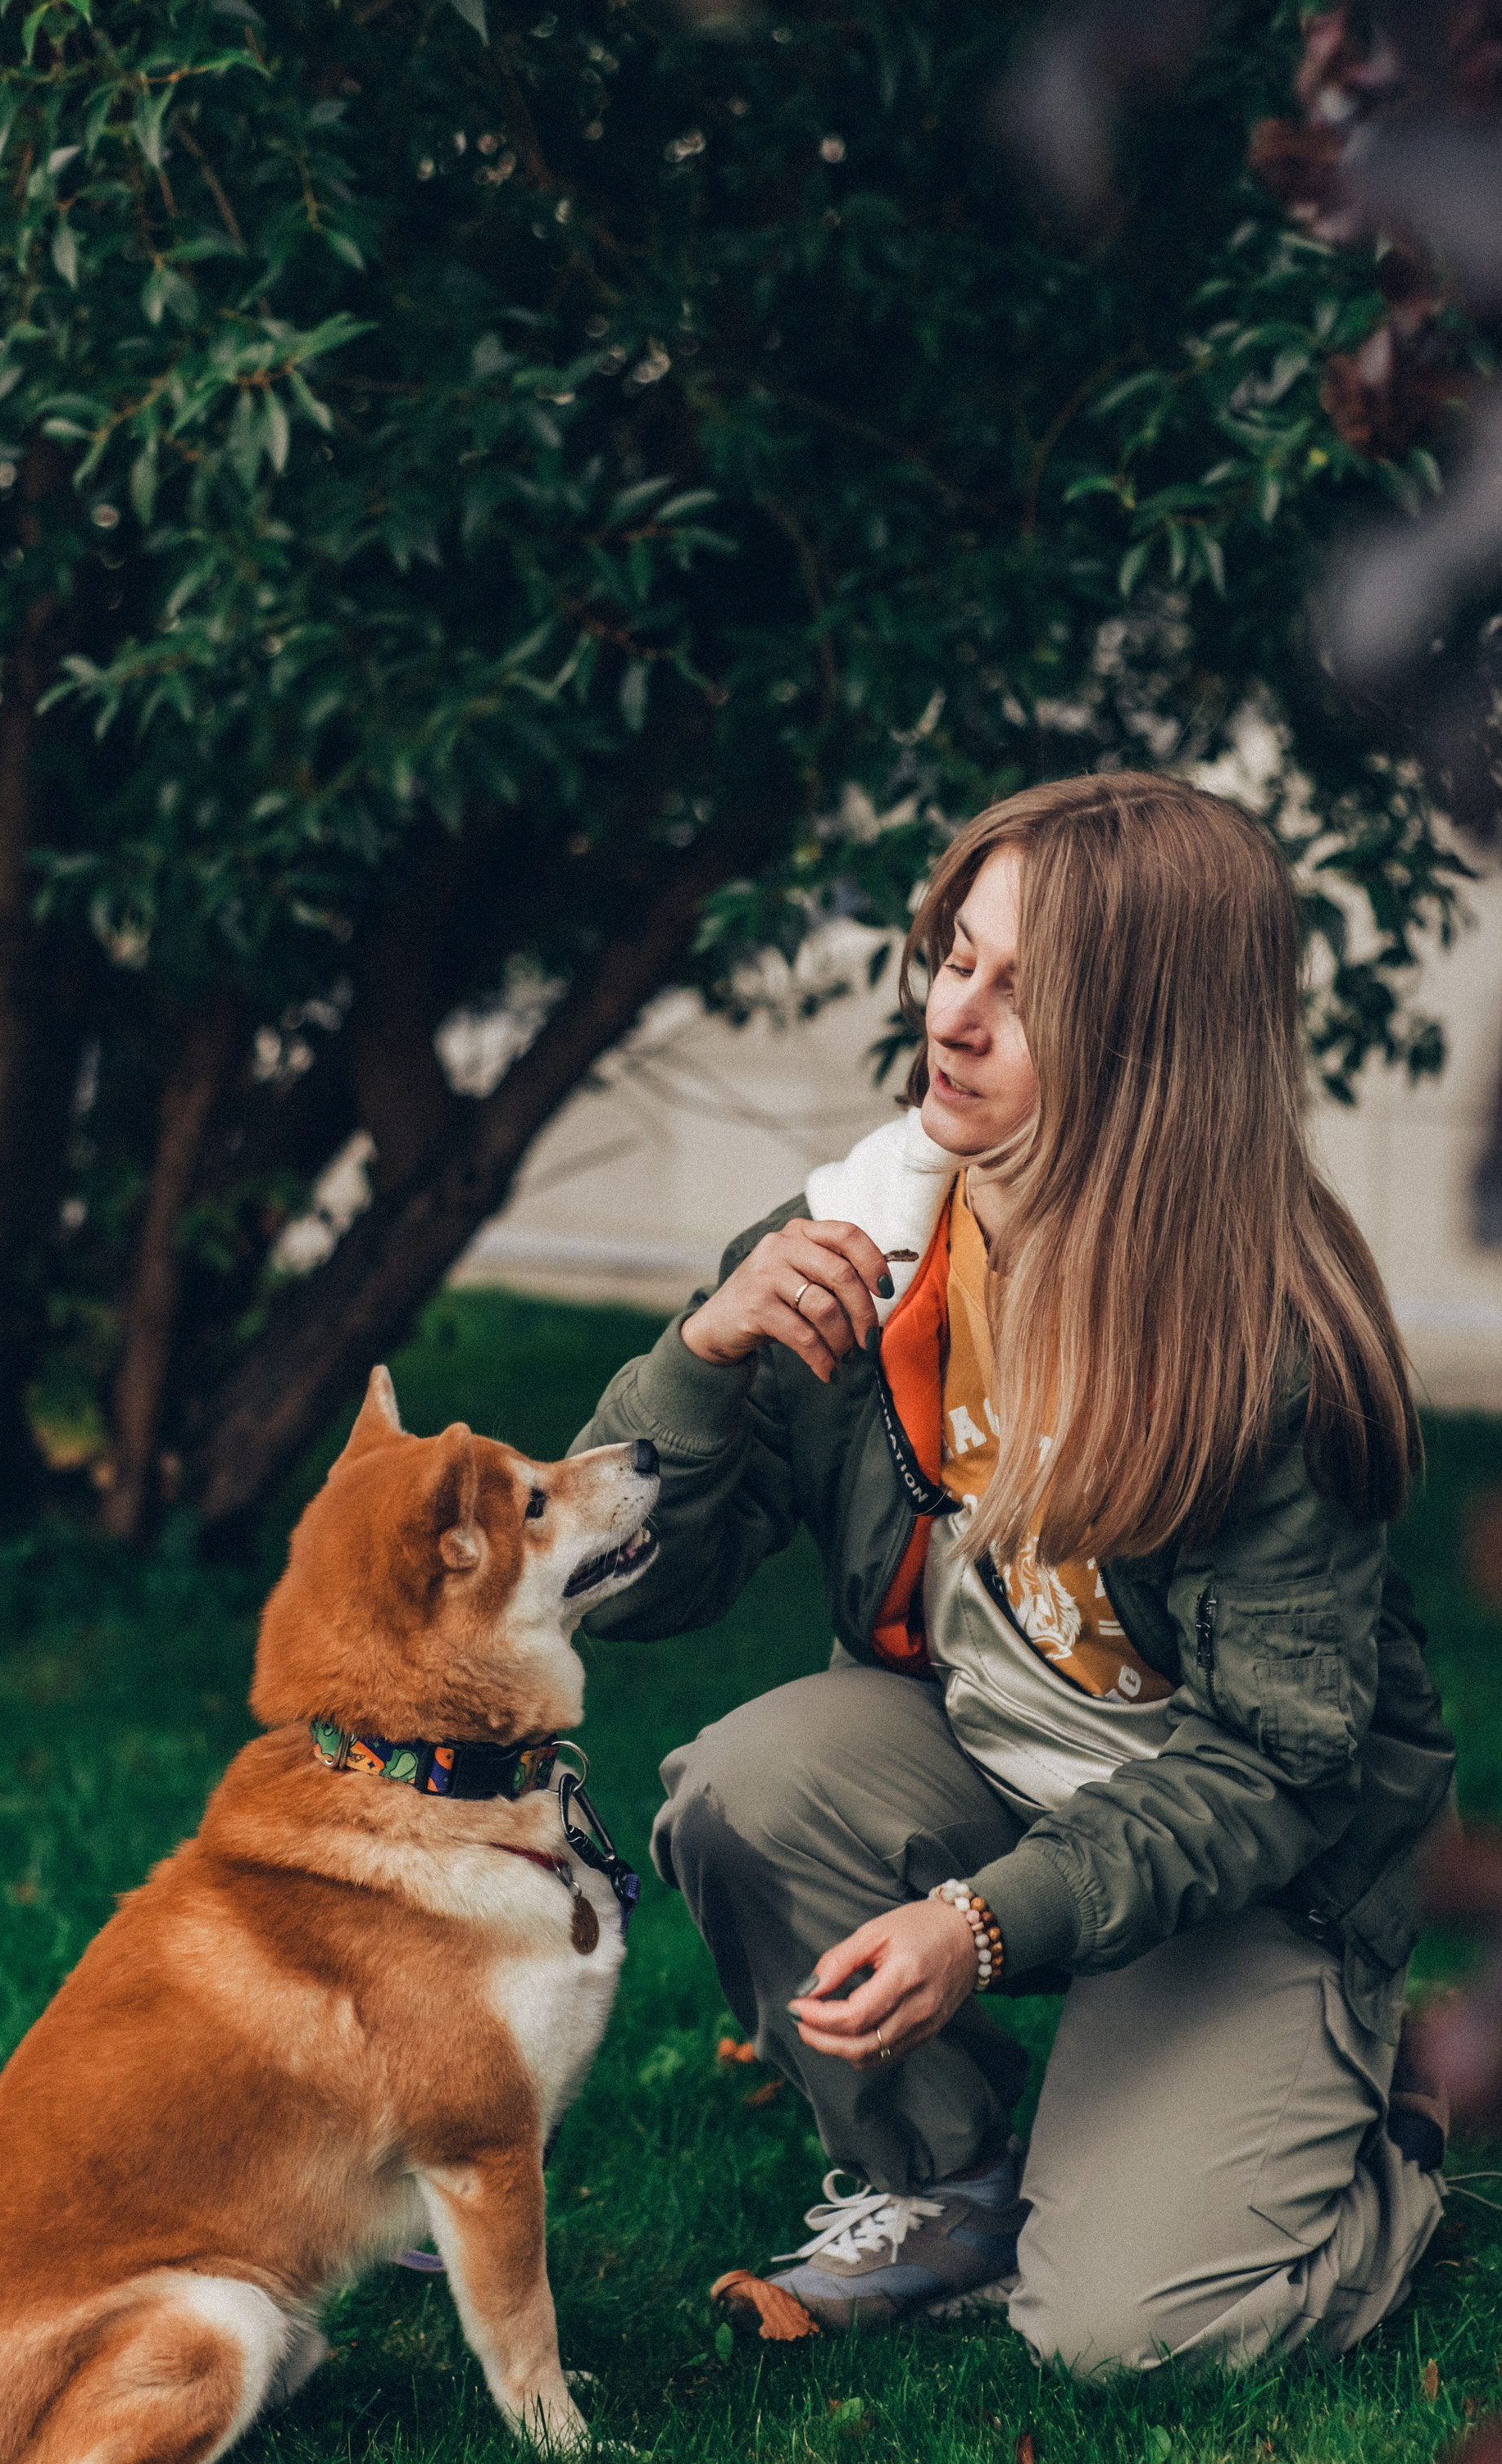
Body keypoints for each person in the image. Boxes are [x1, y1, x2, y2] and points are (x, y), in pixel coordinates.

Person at [573, 773, 1456, 2376]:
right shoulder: (871, 1233)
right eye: (954, 958)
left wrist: (981, 1926)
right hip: (989, 1765)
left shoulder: (1268, 1343)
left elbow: (1271, 1765)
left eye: (1025, 994)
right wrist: (699, 1362)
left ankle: (1376, 2143)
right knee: (739, 1787)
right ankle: (950, 2181)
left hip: (1246, 1862)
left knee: (1119, 2333)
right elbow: (621, 1599)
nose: (954, 1020)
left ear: (1152, 1043)